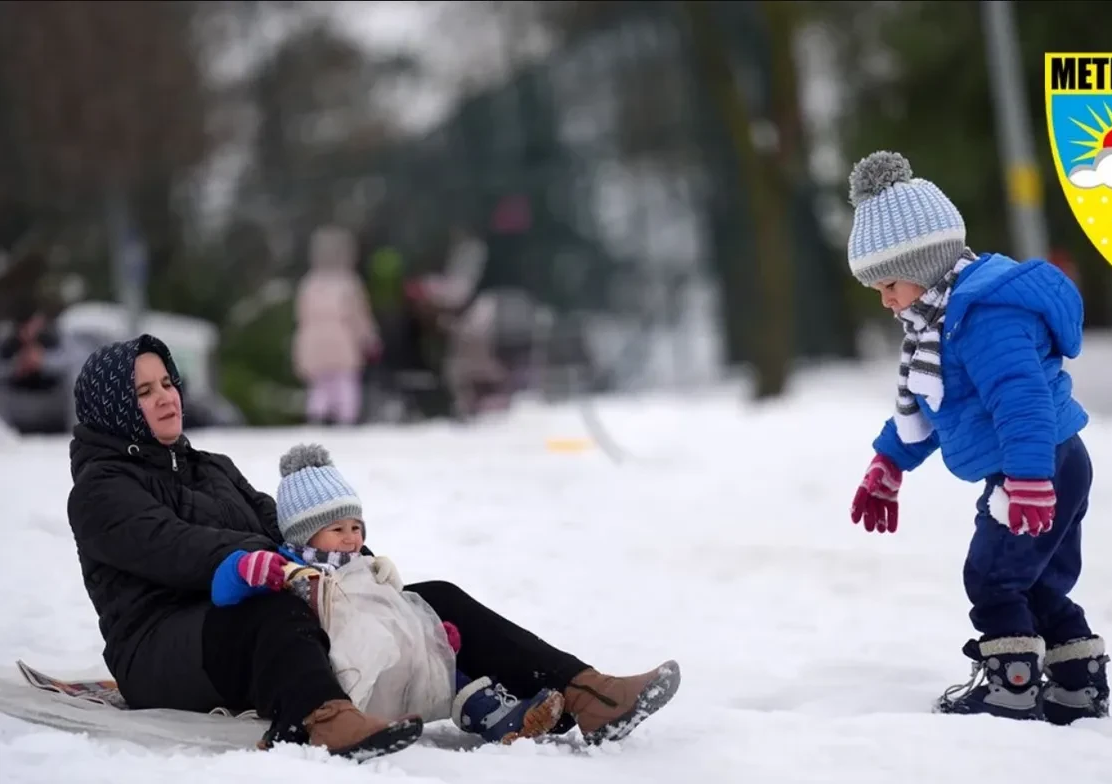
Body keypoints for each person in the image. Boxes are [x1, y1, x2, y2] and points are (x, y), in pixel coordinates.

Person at [65, 335, 680, 759]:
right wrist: (262, 564)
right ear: (117, 406)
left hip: (247, 613)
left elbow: (284, 529)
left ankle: (587, 692)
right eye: (144, 391)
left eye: (167, 381)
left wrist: (361, 574)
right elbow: (171, 547)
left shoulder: (209, 466)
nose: (166, 395)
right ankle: (324, 720)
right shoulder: (100, 490)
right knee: (269, 608)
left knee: (429, 598)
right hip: (162, 649)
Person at [842, 151, 1109, 726]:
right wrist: (890, 461)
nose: (886, 300)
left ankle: (1011, 686)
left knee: (991, 577)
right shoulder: (940, 321)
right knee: (1030, 581)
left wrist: (1030, 479)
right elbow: (943, 405)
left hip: (1039, 464)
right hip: (1043, 464)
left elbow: (1022, 401)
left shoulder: (983, 316)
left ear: (927, 260)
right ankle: (1076, 678)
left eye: (889, 283)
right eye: (876, 289)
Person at [210, 442, 568, 746]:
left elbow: (390, 610)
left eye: (356, 527)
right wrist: (245, 570)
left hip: (385, 661)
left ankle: (499, 716)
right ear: (304, 534)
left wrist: (429, 633)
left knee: (450, 668)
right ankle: (337, 724)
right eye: (338, 528)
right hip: (338, 670)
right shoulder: (284, 566)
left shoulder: (363, 565)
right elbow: (223, 592)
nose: (352, 538)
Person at [291, 225, 381, 426]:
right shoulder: (349, 283)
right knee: (345, 382)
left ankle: (317, 416)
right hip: (342, 338)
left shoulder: (309, 283)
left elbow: (300, 316)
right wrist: (370, 339)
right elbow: (359, 316)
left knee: (320, 385)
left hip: (312, 340)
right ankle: (346, 419)